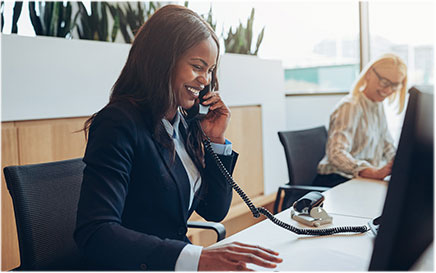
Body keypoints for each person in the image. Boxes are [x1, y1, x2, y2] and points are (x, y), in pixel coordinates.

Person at [74, 4, 282, 271]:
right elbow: (96, 232)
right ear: (162, 61)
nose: (205, 80)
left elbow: (214, 211)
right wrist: (196, 257)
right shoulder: (118, 123)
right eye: (198, 66)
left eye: (210, 70)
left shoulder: (182, 124)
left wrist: (216, 140)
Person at [315, 53, 408, 187]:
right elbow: (336, 154)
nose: (388, 90)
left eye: (394, 85)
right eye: (384, 82)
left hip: (361, 179)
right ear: (369, 74)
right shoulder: (350, 106)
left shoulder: (377, 105)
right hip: (336, 181)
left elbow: (387, 145)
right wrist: (370, 172)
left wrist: (399, 164)